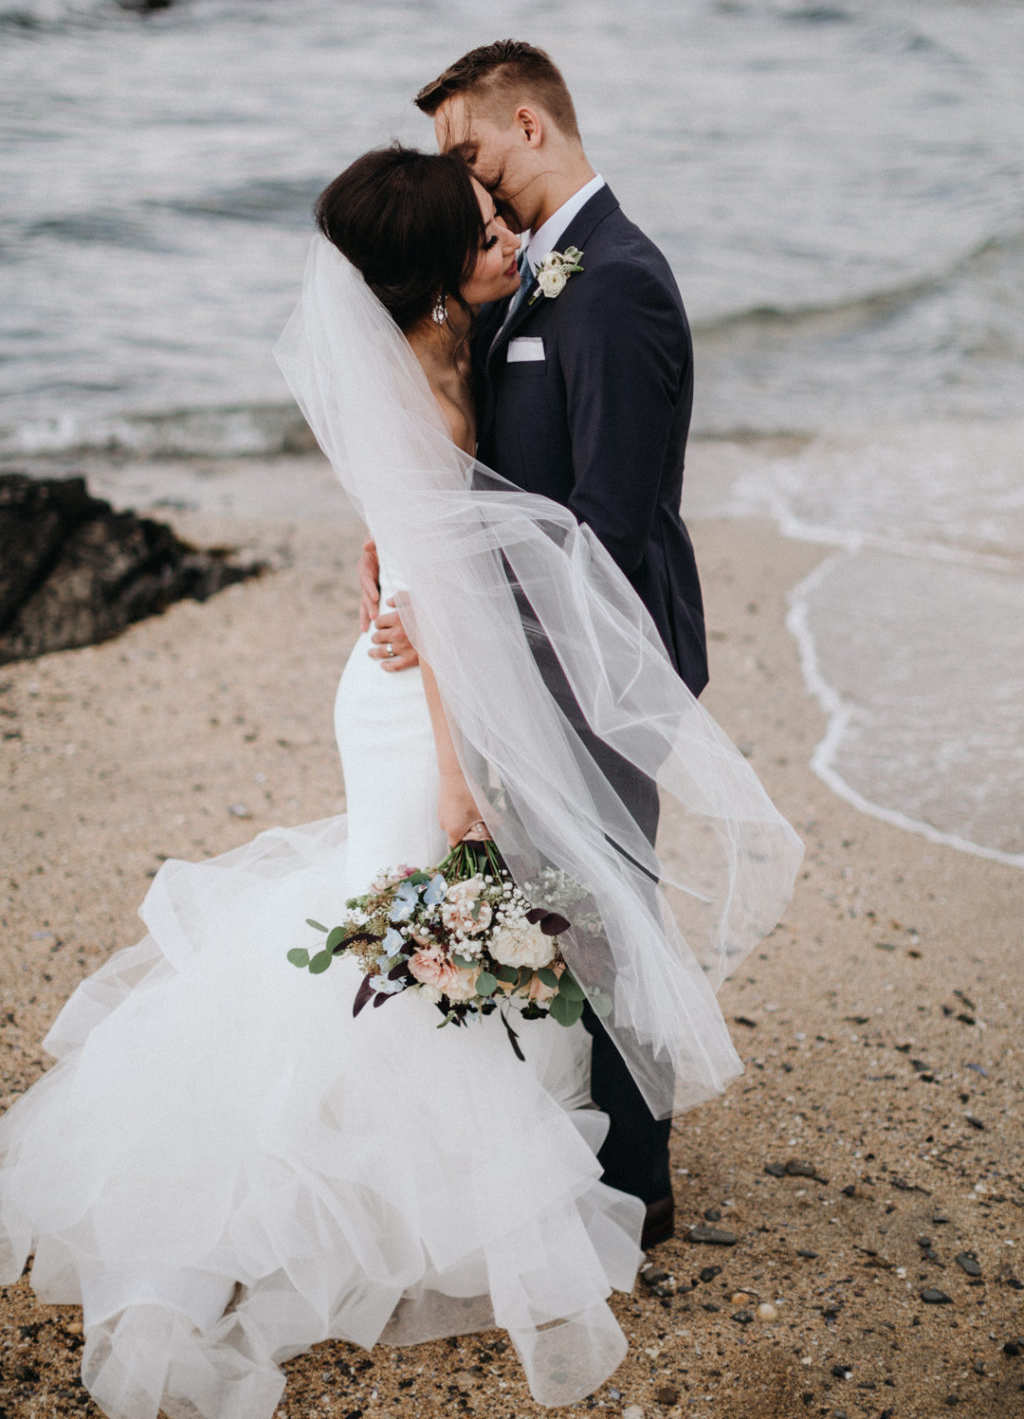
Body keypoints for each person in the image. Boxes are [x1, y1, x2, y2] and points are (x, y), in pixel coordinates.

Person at [0, 144, 801, 1419]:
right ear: (436, 275)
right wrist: (454, 765)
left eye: (498, 218)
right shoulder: (427, 395)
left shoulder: (443, 359)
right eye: (483, 233)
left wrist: (397, 586)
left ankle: (444, 1165)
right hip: (416, 703)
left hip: (431, 674)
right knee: (410, 892)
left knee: (417, 911)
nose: (506, 242)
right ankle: (334, 1191)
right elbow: (428, 584)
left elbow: (422, 549)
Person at [362, 41, 705, 1246]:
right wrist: (410, 562)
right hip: (525, 656)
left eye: (471, 154)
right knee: (563, 905)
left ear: (528, 122)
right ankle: (582, 1138)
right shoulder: (533, 283)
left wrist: (518, 659)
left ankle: (640, 1188)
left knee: (609, 912)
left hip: (593, 659)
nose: (470, 184)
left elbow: (607, 525)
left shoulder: (614, 281)